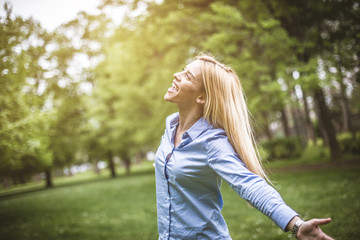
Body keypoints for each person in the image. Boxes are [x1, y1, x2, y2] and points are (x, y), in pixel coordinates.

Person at [154, 53, 334, 240]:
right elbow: (174, 163)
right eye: (184, 70)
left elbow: (249, 184)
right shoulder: (171, 127)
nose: (177, 75)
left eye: (187, 76)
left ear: (201, 97)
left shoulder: (211, 142)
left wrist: (296, 225)